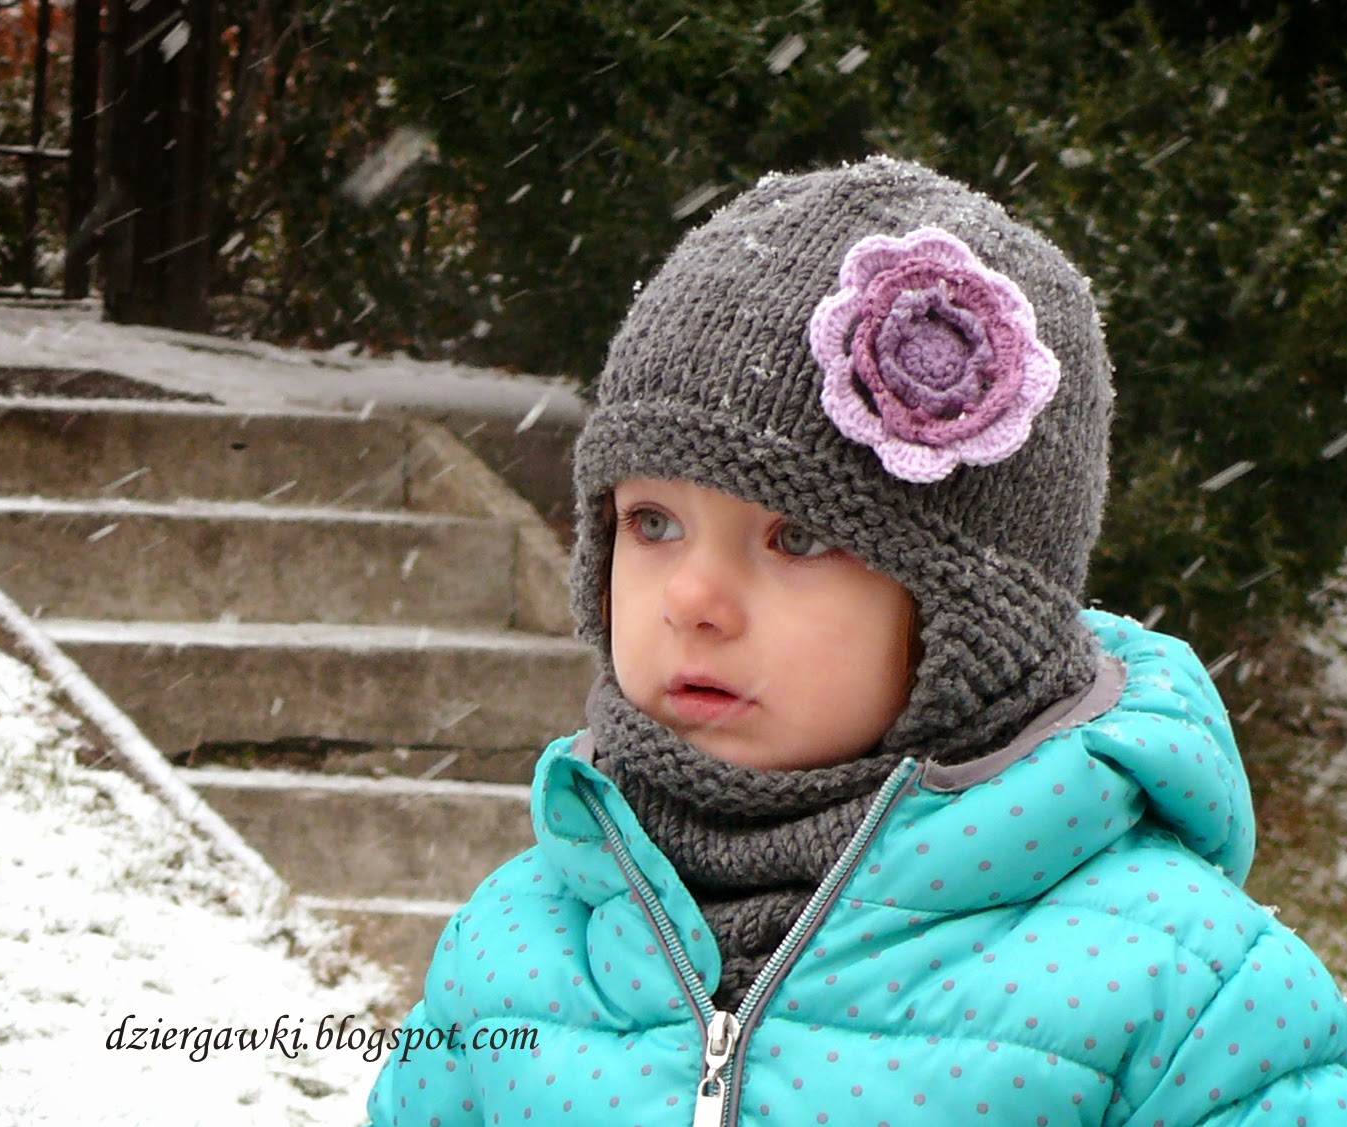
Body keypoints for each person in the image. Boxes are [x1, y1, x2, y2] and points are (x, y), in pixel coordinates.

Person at [367, 155, 1347, 1124]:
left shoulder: (1181, 993)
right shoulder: (515, 950)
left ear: (975, 617)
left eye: (797, 537)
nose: (692, 597)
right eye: (651, 523)